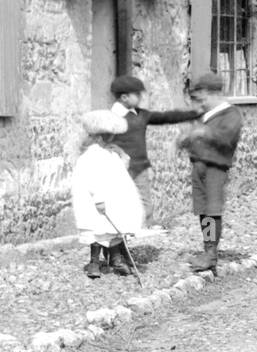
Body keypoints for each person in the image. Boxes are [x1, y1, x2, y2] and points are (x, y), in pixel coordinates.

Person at [108, 74, 202, 226]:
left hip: (139, 167)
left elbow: (166, 117)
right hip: (118, 168)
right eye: (137, 94)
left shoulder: (141, 115)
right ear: (124, 97)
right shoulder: (110, 117)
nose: (141, 97)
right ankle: (119, 233)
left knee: (145, 201)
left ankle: (146, 227)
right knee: (118, 200)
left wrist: (193, 113)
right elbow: (106, 143)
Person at [177, 73, 244, 273]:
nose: (200, 103)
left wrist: (204, 133)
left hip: (215, 168)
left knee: (212, 209)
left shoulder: (231, 114)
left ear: (213, 94)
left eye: (202, 98)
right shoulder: (205, 116)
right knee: (203, 210)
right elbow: (196, 137)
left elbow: (227, 138)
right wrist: (184, 140)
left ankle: (211, 254)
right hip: (198, 166)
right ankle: (207, 249)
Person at [70, 109, 144, 278]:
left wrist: (122, 155)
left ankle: (116, 259)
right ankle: (94, 262)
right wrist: (98, 199)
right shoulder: (92, 155)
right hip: (95, 202)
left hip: (109, 201)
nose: (113, 139)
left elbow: (120, 172)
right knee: (96, 231)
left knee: (110, 229)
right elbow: (92, 179)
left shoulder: (110, 153)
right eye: (110, 136)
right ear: (100, 136)